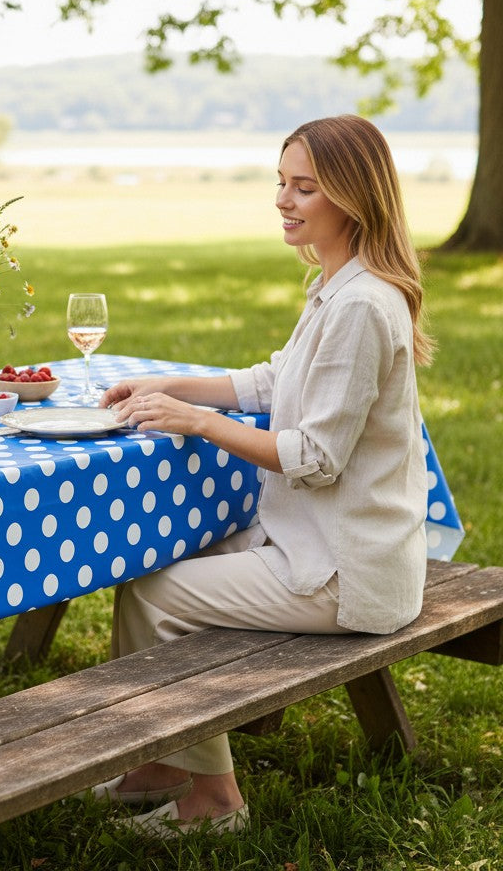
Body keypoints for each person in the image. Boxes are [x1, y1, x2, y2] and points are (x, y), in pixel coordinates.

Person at [94, 114, 434, 839]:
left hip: (350, 572)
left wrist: (197, 424)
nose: (284, 199)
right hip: (333, 548)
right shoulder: (339, 286)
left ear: (354, 196)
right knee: (161, 568)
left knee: (155, 591)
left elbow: (315, 456)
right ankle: (158, 762)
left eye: (305, 187)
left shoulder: (363, 306)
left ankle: (215, 798)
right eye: (281, 182)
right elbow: (273, 379)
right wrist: (174, 386)